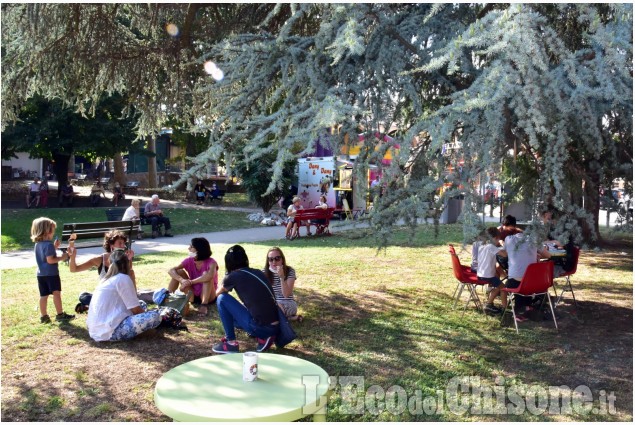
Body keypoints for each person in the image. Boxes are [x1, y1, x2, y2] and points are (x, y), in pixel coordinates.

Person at [212, 245, 280, 354]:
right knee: (233, 316)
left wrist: (225, 277)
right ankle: (263, 336)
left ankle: (231, 343)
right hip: (276, 325)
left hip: (263, 327)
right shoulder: (257, 272)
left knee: (222, 299)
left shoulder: (233, 276)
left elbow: (216, 295)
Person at [86, 250, 161, 342]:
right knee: (155, 316)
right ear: (127, 264)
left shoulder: (106, 280)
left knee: (142, 304)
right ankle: (143, 331)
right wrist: (148, 316)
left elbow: (134, 301)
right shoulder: (123, 278)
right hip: (109, 332)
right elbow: (136, 310)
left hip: (96, 330)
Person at [30, 217, 75, 323]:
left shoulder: (38, 244)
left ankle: (44, 316)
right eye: (52, 231)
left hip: (41, 275)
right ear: (47, 231)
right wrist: (64, 256)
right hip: (51, 274)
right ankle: (60, 314)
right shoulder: (48, 245)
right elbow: (50, 260)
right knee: (56, 293)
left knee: (43, 295)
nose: (53, 234)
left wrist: (54, 247)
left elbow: (45, 257)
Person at [501, 232, 550, 322]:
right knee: (524, 281)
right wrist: (535, 254)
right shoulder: (534, 239)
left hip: (516, 283)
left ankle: (509, 310)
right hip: (533, 284)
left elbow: (505, 254)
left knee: (507, 286)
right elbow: (548, 255)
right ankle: (527, 307)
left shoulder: (509, 239)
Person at [167, 237, 219, 317]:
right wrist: (182, 280)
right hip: (193, 294)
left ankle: (204, 305)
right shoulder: (189, 260)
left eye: (191, 247)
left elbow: (209, 276)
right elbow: (171, 270)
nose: (189, 248)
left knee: (206, 275)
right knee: (179, 271)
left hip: (208, 296)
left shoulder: (212, 262)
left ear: (199, 249)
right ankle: (168, 298)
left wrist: (191, 282)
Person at [68, 229, 137, 288]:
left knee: (132, 272)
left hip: (120, 296)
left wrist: (129, 260)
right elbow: (74, 269)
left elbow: (128, 280)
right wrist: (72, 257)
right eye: (120, 243)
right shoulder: (99, 260)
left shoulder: (124, 258)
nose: (123, 246)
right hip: (106, 296)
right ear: (111, 245)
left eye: (124, 243)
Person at [263, 247, 302, 322]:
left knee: (275, 308)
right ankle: (289, 318)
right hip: (271, 303)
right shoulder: (264, 272)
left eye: (277, 258)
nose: (274, 262)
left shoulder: (290, 271)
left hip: (287, 303)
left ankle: (280, 319)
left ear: (282, 259)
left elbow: (286, 294)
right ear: (268, 261)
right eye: (270, 259)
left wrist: (282, 277)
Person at [476, 227, 507, 314]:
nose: (498, 242)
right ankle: (503, 309)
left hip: (481, 274)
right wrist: (504, 245)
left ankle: (489, 303)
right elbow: (504, 255)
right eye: (498, 240)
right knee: (504, 288)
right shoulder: (491, 247)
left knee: (498, 286)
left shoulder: (482, 246)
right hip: (488, 275)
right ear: (495, 238)